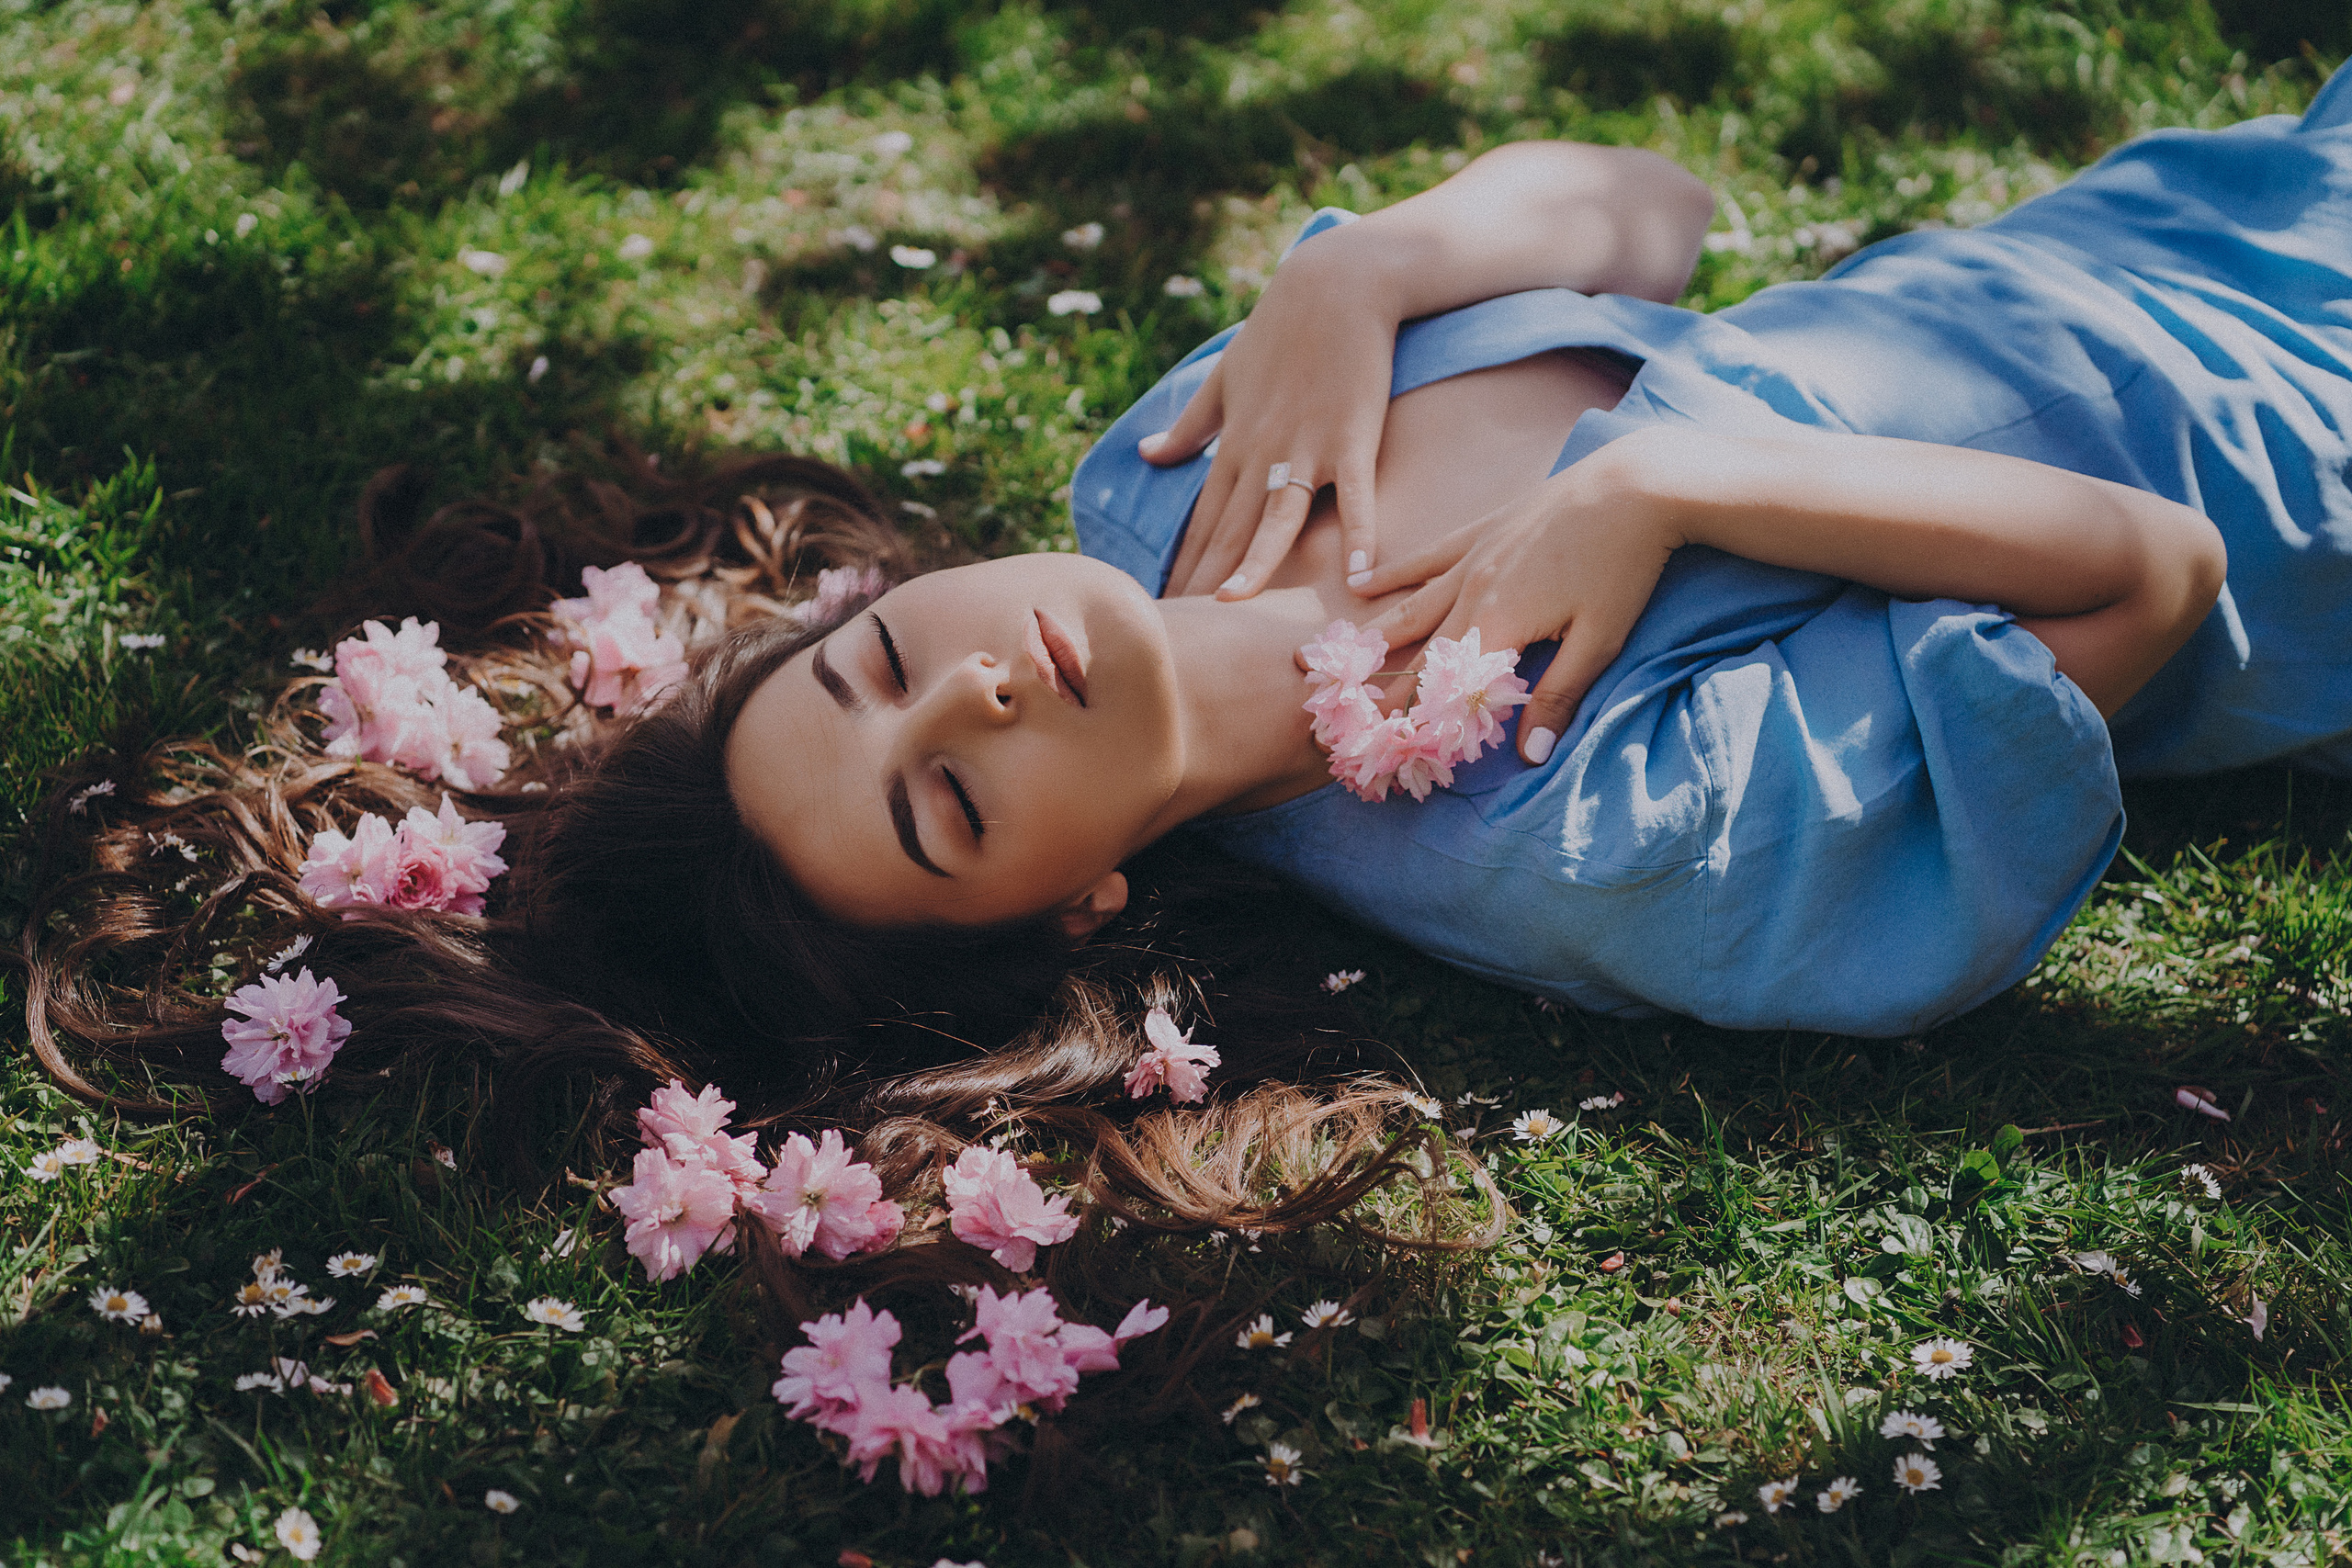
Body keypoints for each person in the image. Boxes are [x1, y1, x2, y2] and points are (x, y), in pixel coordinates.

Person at [20, 70, 2352, 1221]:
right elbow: (2142, 577)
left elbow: (1654, 206)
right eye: (948, 796)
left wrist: (1359, 267)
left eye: (867, 666)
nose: (973, 682)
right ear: (1074, 902)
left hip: (2201, 198)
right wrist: (1656, 487)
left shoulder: (1164, 480)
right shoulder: (1565, 834)